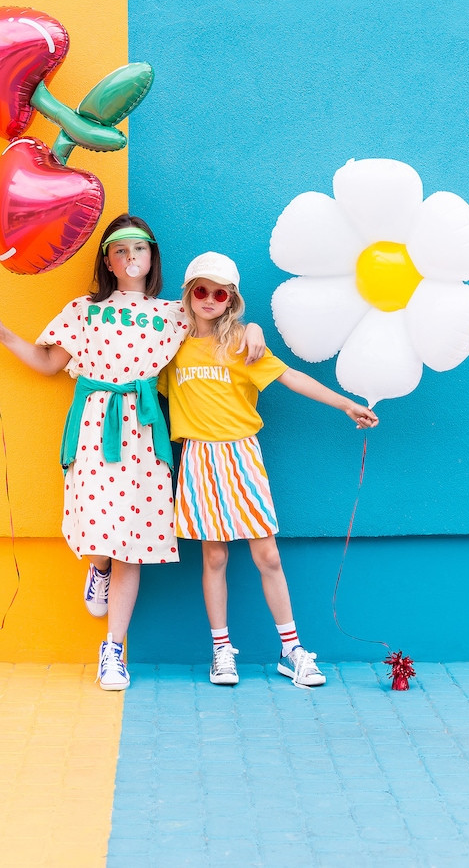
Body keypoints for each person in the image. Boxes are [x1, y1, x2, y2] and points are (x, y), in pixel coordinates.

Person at [0, 217, 265, 692]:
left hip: (145, 430)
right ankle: (98, 567)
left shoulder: (173, 313)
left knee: (133, 537)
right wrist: (3, 334)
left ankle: (112, 650)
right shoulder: (83, 310)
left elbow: (218, 323)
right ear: (107, 260)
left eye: (140, 249)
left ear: (152, 257)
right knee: (100, 531)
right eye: (121, 250)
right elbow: (50, 363)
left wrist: (252, 328)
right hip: (94, 423)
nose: (131, 258)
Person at [157, 252, 379, 689]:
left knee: (268, 555)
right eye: (200, 290)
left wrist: (346, 403)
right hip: (199, 457)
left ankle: (291, 649)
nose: (208, 299)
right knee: (215, 556)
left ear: (230, 300)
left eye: (219, 293)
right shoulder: (170, 343)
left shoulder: (242, 342)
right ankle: (221, 650)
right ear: (188, 293)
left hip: (241, 454)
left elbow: (292, 377)